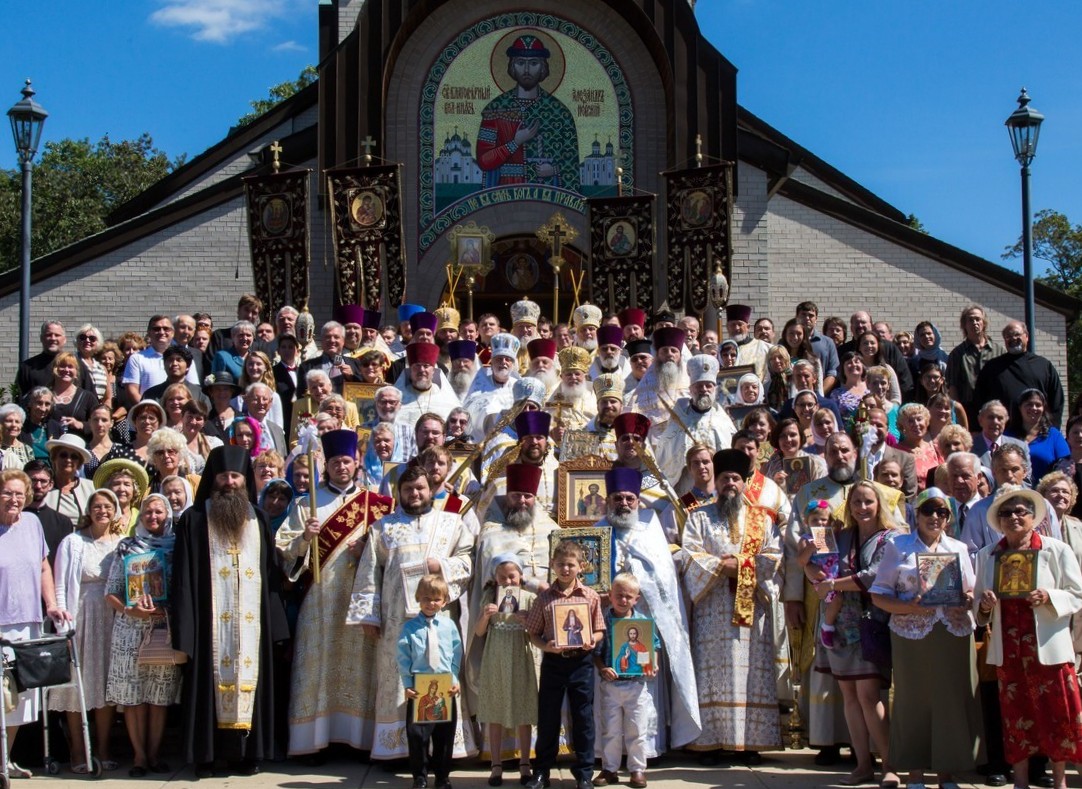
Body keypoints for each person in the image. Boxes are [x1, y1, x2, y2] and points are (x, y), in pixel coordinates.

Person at [171, 445, 289, 776]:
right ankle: (206, 757)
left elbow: (270, 575)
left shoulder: (259, 518)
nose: (230, 482)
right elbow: (182, 580)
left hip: (253, 628)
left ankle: (248, 755)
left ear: (245, 479)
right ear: (213, 479)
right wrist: (186, 632)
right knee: (207, 688)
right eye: (223, 476)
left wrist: (277, 628)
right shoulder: (193, 520)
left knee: (251, 683)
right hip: (209, 626)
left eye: (236, 475)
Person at [275, 429, 392, 756]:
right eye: (336, 462)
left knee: (359, 665)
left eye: (348, 461)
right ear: (325, 465)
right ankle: (314, 741)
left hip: (359, 598)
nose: (342, 466)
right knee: (318, 666)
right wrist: (303, 539)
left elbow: (391, 549)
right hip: (320, 598)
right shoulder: (306, 503)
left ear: (357, 463)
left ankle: (358, 739)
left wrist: (368, 548)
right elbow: (284, 550)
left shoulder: (375, 504)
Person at [347, 465, 476, 760]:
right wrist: (369, 614)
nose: (414, 494)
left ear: (430, 489)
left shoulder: (453, 523)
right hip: (396, 624)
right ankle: (399, 750)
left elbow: (468, 563)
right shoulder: (383, 527)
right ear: (398, 493)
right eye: (407, 490)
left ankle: (440, 751)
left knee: (439, 676)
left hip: (440, 621)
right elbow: (369, 572)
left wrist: (440, 565)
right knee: (400, 682)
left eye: (420, 488)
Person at [869, 487, 982, 789]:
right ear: (916, 514)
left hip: (952, 633)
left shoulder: (958, 547)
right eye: (928, 510)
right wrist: (906, 606)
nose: (934, 517)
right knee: (912, 700)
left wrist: (965, 602)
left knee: (950, 700)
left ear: (948, 518)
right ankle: (915, 773)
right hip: (911, 633)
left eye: (941, 512)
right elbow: (879, 594)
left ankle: (947, 773)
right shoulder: (898, 546)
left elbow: (971, 591)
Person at [682, 449, 788, 764]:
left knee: (751, 672)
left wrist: (739, 565)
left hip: (751, 609)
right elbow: (690, 556)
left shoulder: (760, 518)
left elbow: (773, 557)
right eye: (725, 478)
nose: (730, 483)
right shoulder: (699, 515)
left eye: (736, 479)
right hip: (712, 608)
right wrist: (723, 567)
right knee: (713, 674)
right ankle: (713, 742)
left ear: (744, 483)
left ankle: (750, 742)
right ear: (715, 481)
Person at [974, 487, 1082, 789]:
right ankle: (1019, 781)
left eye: (1020, 511)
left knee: (1058, 716)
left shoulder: (1056, 549)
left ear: (1033, 517)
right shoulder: (988, 555)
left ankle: (1059, 781)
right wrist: (984, 605)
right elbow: (978, 607)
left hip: (1047, 648)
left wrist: (1051, 596)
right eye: (1006, 513)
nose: (1013, 518)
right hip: (1008, 650)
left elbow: (1077, 595)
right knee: (1015, 718)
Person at [805, 481, 900, 788]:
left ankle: (889, 765)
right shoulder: (840, 535)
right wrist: (815, 572)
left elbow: (874, 575)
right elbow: (810, 561)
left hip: (870, 622)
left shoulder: (890, 538)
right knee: (849, 698)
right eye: (856, 502)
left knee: (869, 696)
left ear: (879, 504)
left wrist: (833, 585)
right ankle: (862, 765)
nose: (862, 507)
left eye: (868, 501)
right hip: (839, 622)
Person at [0, 469, 72, 778]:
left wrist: (52, 604)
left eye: (19, 493)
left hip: (27, 622)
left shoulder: (32, 523)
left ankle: (4, 760)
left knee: (20, 700)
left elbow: (43, 566)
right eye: (7, 493)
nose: (14, 499)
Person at [104, 494, 181, 777]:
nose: (153, 517)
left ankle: (154, 754)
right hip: (129, 631)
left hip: (163, 629)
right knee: (133, 696)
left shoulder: (178, 547)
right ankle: (138, 756)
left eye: (159, 512)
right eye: (147, 512)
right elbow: (109, 591)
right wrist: (129, 609)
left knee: (159, 696)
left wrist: (168, 608)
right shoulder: (127, 546)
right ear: (140, 516)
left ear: (168, 514)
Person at [51, 488, 125, 773]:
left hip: (110, 619)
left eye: (108, 506)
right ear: (88, 510)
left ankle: (104, 748)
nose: (102, 511)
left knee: (104, 684)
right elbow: (59, 585)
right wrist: (63, 625)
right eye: (97, 505)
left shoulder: (121, 543)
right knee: (77, 686)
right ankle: (79, 750)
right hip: (80, 616)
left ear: (116, 510)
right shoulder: (73, 541)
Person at [523, 540, 605, 789]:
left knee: (583, 717)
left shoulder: (590, 596)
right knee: (548, 717)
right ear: (552, 565)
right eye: (561, 564)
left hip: (581, 662)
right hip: (554, 663)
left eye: (571, 564)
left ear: (581, 566)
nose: (566, 569)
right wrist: (545, 646)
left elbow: (599, 629)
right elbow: (533, 633)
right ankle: (542, 772)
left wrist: (593, 639)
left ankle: (584, 773)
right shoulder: (545, 598)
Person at [476, 34, 580, 192]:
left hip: (549, 193)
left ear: (543, 67)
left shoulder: (560, 112)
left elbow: (571, 162)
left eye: (533, 63)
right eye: (520, 63)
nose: (526, 70)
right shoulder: (495, 109)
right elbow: (484, 160)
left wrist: (554, 170)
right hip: (506, 191)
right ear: (512, 66)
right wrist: (515, 143)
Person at [472, 555, 537, 787]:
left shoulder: (529, 599)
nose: (508, 581)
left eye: (512, 576)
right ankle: (496, 764)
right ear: (496, 579)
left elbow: (535, 634)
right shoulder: (490, 598)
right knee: (496, 710)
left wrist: (527, 620)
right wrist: (485, 616)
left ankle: (525, 763)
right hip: (496, 658)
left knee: (523, 709)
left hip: (520, 656)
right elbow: (479, 633)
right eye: (502, 577)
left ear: (520, 576)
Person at [592, 573, 662, 789]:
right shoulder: (603, 620)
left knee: (636, 729)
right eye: (619, 596)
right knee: (610, 729)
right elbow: (596, 651)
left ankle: (637, 769)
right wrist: (603, 668)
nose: (623, 600)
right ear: (610, 596)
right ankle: (610, 769)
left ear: (636, 599)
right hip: (611, 685)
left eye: (628, 597)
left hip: (637, 685)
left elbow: (654, 646)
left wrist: (653, 664)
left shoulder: (641, 622)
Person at [397, 574, 462, 789]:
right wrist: (407, 684)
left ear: (444, 601)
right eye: (426, 598)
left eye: (436, 599)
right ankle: (420, 776)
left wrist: (455, 679)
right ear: (418, 598)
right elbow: (404, 657)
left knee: (444, 736)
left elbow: (456, 653)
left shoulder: (448, 625)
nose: (431, 603)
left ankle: (442, 777)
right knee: (418, 735)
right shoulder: (410, 628)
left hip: (444, 685)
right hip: (420, 685)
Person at [973, 320, 1065, 428]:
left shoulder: (1044, 366)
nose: (1013, 338)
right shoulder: (992, 368)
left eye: (1017, 334)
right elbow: (979, 401)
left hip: (1037, 432)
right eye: (1008, 336)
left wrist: (1052, 429)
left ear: (1026, 336)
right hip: (1002, 432)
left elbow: (1056, 401)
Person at [947, 305, 1003, 425]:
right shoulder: (957, 354)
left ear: (984, 323)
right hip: (968, 410)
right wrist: (957, 414)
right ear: (964, 324)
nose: (975, 323)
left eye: (978, 319)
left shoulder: (999, 351)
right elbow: (952, 387)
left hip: (994, 408)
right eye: (970, 319)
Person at [1007, 388, 1070, 482]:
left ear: (1043, 408)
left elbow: (1066, 465)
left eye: (1038, 405)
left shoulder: (1054, 435)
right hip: (1014, 491)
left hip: (1046, 493)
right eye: (1029, 404)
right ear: (1020, 407)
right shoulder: (1007, 435)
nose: (1034, 408)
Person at [42, 433, 96, 521]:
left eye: (74, 457)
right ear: (54, 458)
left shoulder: (89, 487)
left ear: (79, 463)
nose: (68, 460)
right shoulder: (43, 485)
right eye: (63, 455)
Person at [49, 351, 97, 439]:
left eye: (70, 367)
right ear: (54, 369)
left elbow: (99, 422)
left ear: (76, 372)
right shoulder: (44, 395)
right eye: (62, 366)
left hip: (78, 447)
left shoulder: (87, 397)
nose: (66, 370)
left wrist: (81, 425)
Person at [896, 403, 941, 494]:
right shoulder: (896, 451)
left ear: (926, 422)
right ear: (902, 426)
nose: (916, 424)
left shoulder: (936, 449)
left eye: (919, 419)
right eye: (910, 421)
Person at [0, 403, 34, 470]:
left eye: (17, 422)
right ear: (1, 424)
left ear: (21, 425)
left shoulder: (27, 449)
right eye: (9, 421)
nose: (13, 425)